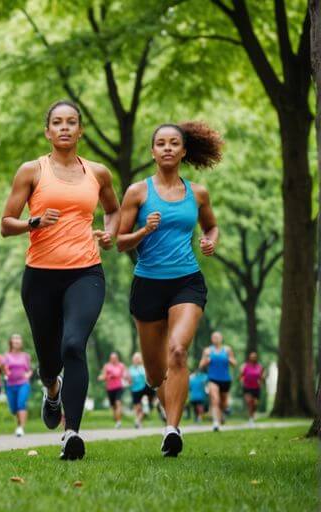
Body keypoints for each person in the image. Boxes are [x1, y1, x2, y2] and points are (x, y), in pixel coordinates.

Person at [0, 100, 120, 460]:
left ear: (80, 130)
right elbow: (6, 223)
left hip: (86, 272)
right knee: (50, 361)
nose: (65, 128)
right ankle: (52, 389)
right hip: (40, 276)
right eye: (57, 122)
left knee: (73, 346)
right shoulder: (31, 171)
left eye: (71, 122)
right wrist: (33, 222)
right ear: (47, 131)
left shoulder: (98, 173)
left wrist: (110, 232)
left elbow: (113, 210)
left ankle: (72, 433)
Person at [117, 120, 221, 455]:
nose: (167, 148)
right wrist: (143, 231)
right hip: (148, 284)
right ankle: (168, 415)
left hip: (186, 282)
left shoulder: (198, 193)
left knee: (178, 350)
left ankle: (172, 429)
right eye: (161, 143)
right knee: (153, 374)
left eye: (174, 143)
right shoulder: (138, 192)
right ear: (152, 151)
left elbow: (212, 226)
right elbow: (119, 242)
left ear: (184, 150)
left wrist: (209, 240)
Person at [199, 332, 236, 432]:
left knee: (223, 403)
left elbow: (234, 363)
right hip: (212, 379)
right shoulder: (208, 350)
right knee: (215, 399)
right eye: (214, 337)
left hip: (225, 379)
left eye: (218, 337)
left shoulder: (227, 349)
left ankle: (222, 415)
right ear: (212, 339)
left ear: (221, 338)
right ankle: (216, 422)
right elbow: (201, 365)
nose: (216, 339)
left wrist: (229, 359)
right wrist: (206, 360)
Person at [3, 334, 33, 437]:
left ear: (21, 343)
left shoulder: (26, 356)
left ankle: (21, 428)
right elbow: (4, 368)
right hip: (10, 385)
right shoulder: (6, 356)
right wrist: (6, 372)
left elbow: (29, 370)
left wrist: (28, 375)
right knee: (13, 408)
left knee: (21, 404)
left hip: (23, 383)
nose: (17, 341)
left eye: (18, 339)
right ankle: (19, 425)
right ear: (11, 342)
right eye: (14, 339)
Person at [98, 352, 128, 429]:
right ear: (110, 359)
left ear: (117, 358)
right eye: (112, 358)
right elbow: (103, 376)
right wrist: (107, 376)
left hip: (119, 387)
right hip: (110, 389)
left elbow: (125, 374)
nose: (114, 360)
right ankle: (117, 419)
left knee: (118, 403)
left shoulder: (121, 366)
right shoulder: (107, 366)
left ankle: (119, 422)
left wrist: (125, 376)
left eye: (115, 358)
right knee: (113, 406)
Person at [239, 351, 266, 426]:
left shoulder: (259, 366)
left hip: (256, 388)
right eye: (252, 356)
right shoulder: (245, 366)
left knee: (255, 404)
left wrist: (262, 380)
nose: (253, 358)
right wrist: (241, 381)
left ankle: (252, 416)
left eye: (254, 357)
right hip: (247, 387)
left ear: (256, 358)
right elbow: (241, 376)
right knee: (249, 402)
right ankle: (250, 419)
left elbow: (262, 377)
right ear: (249, 357)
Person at [129, 352, 152, 428]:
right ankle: (139, 422)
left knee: (144, 407)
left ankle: (137, 421)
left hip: (144, 389)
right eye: (135, 358)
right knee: (138, 408)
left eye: (138, 358)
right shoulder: (131, 368)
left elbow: (148, 378)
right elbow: (129, 380)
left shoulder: (144, 367)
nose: (136, 360)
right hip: (135, 390)